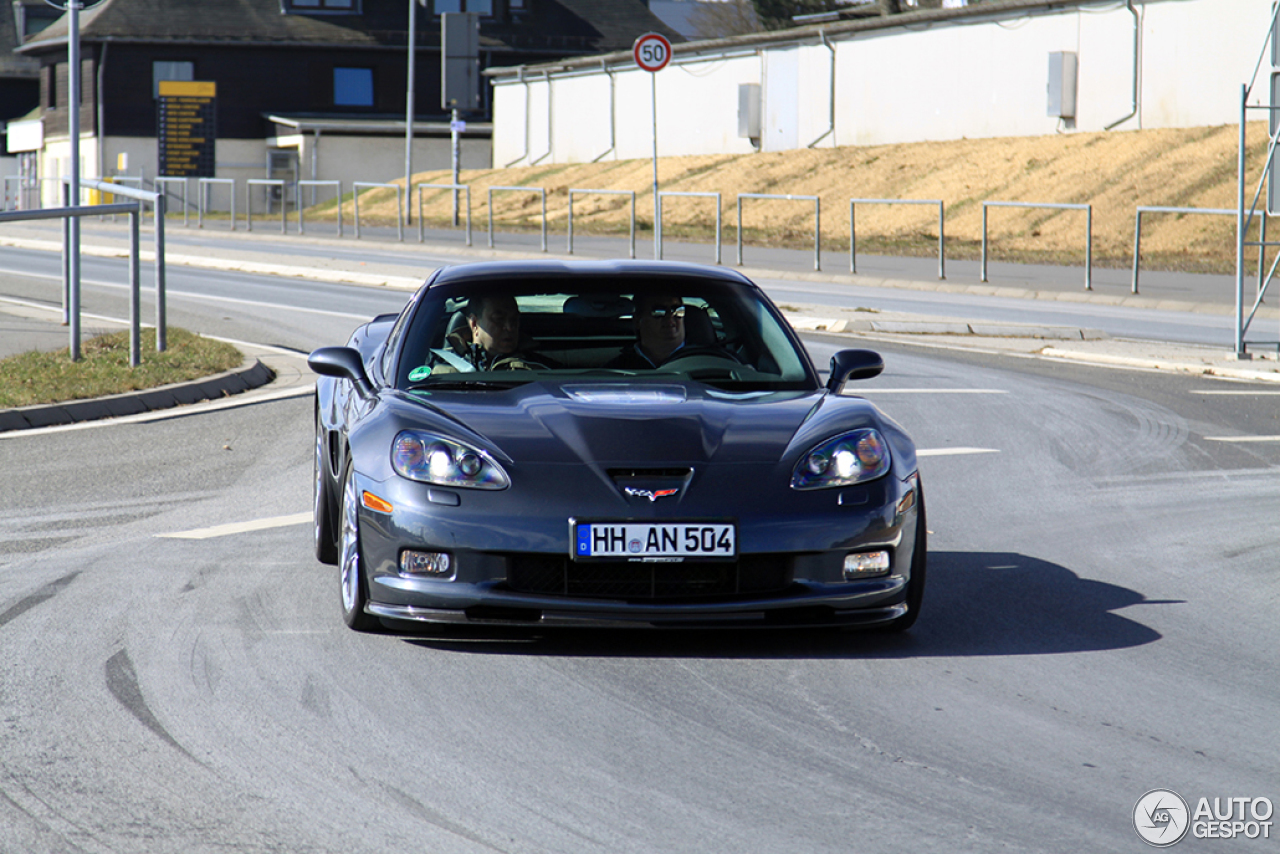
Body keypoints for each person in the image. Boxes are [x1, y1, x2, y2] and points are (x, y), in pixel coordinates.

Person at [439, 294, 552, 371]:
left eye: (514, 320)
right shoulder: (438, 365)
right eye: (499, 319)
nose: (510, 328)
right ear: (474, 324)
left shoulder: (539, 367)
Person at [608, 292, 688, 369]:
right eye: (659, 311)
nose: (670, 316)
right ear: (637, 320)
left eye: (677, 310)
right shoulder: (617, 370)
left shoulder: (698, 360)